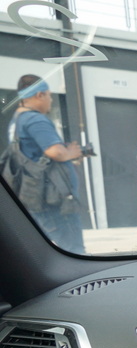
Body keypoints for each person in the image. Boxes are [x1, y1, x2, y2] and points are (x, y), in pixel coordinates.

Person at [9, 74, 85, 254]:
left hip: (36, 196)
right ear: (39, 95)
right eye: (49, 95)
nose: (51, 100)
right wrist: (72, 153)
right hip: (53, 200)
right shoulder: (34, 119)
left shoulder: (17, 120)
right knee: (74, 251)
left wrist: (66, 155)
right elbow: (55, 152)